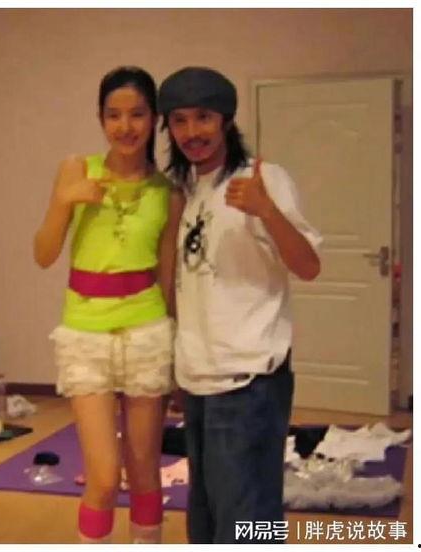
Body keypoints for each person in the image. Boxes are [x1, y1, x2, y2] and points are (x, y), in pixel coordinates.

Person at [158, 67, 322, 544]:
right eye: (180, 120)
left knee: (247, 521)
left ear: (226, 120)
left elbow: (308, 266)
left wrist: (267, 210)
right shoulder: (186, 190)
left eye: (204, 118)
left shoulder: (263, 179)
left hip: (249, 380)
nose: (192, 132)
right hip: (198, 379)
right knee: (207, 516)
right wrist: (177, 369)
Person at [33, 66, 175, 544]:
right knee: (104, 474)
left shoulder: (168, 191)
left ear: (154, 119)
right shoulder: (77, 169)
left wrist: (176, 350)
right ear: (100, 119)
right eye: (113, 115)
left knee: (145, 471)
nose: (125, 126)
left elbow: (168, 275)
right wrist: (65, 201)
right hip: (85, 331)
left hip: (148, 329)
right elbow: (43, 254)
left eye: (137, 114)